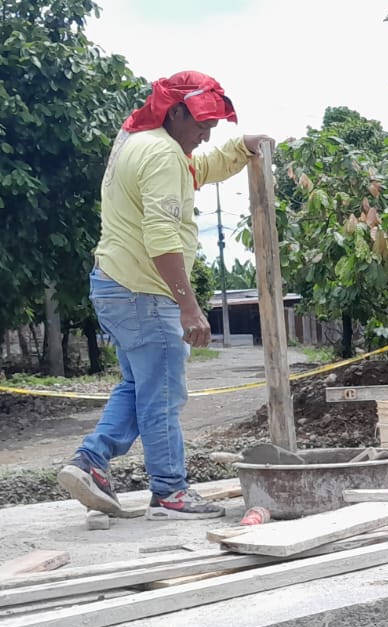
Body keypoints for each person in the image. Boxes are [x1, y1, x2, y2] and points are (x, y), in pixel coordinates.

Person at [58, 72, 270, 520]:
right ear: (175, 112)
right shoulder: (162, 155)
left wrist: (241, 147)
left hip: (115, 285)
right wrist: (189, 307)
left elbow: (198, 168)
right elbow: (161, 237)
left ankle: (91, 461)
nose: (206, 134)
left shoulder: (140, 141)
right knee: (163, 395)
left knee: (141, 386)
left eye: (213, 127)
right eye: (201, 125)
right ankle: (171, 492)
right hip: (145, 293)